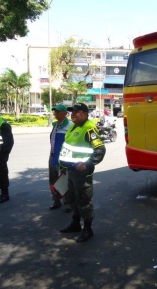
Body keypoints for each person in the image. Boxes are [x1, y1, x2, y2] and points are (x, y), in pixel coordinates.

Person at [58, 103, 106, 243]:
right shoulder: (74, 126)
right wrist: (63, 165)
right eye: (72, 112)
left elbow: (100, 149)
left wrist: (88, 163)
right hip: (71, 171)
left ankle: (88, 229)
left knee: (84, 200)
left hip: (82, 174)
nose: (73, 114)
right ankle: (75, 223)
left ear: (85, 114)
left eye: (77, 112)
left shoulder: (88, 128)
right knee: (73, 199)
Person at [48, 104, 73, 212]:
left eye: (58, 112)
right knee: (53, 180)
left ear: (65, 113)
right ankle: (56, 201)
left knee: (64, 180)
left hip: (64, 157)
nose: (56, 114)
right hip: (53, 155)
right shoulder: (55, 125)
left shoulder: (70, 126)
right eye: (55, 112)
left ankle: (68, 203)